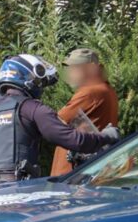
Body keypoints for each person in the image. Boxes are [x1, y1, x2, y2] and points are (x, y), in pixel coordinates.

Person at [0, 54, 119, 190]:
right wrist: (106, 136)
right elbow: (75, 140)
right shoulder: (32, 109)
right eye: (39, 82)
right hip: (18, 197)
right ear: (27, 79)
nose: (40, 88)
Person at [50, 48, 119, 176]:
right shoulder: (107, 90)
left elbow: (55, 122)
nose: (71, 73)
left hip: (74, 172)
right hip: (93, 166)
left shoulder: (91, 91)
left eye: (76, 68)